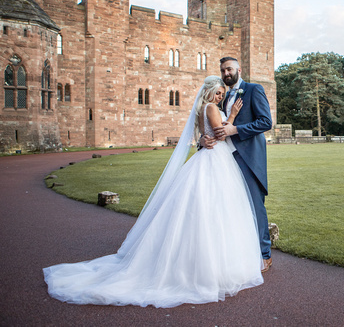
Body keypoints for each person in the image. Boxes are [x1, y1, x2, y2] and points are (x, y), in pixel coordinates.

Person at [43, 76, 263, 308]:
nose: (220, 96)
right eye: (218, 92)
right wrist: (233, 116)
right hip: (214, 159)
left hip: (206, 157)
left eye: (221, 93)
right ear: (209, 92)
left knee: (203, 208)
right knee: (214, 207)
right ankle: (209, 267)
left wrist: (204, 139)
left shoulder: (201, 108)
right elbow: (220, 133)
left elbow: (202, 136)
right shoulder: (211, 108)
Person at [201, 57, 274, 272]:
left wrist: (236, 129)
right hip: (223, 159)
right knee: (229, 208)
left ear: (239, 70)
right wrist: (201, 140)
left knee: (254, 205)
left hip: (248, 158)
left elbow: (265, 121)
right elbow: (209, 126)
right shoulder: (220, 97)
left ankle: (264, 254)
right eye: (223, 70)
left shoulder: (253, 89)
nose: (226, 73)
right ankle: (236, 254)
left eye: (229, 69)